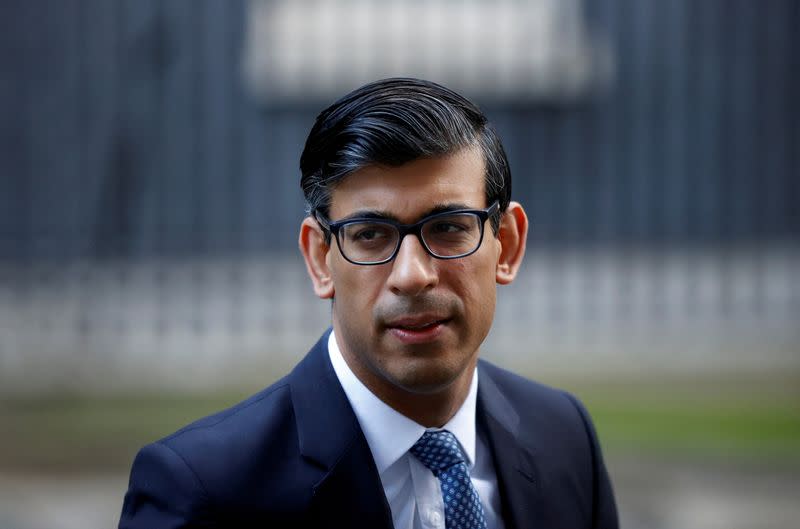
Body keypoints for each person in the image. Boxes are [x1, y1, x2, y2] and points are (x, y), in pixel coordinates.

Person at [119, 78, 618, 529]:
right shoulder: (205, 491)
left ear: (505, 246)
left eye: (447, 228)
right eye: (371, 235)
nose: (412, 276)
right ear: (320, 258)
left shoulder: (563, 438)